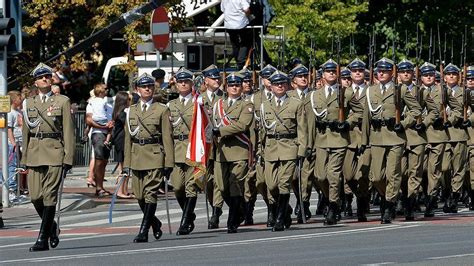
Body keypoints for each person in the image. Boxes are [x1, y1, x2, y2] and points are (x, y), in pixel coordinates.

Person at [21, 63, 75, 251]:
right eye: (41, 77)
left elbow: (68, 131)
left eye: (48, 76)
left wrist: (68, 158)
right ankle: (52, 227)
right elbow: (26, 132)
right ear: (36, 82)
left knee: (49, 196)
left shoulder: (62, 101)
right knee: (36, 197)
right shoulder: (29, 103)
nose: (45, 79)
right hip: (34, 153)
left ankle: (42, 239)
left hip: (54, 152)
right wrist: (23, 160)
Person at [361, 58, 422, 224]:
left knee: (393, 173)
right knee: (376, 177)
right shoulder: (370, 91)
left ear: (391, 73)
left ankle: (388, 206)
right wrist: (363, 140)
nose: (381, 73)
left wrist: (402, 124)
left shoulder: (400, 89)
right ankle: (388, 195)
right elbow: (366, 117)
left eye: (385, 71)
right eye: (379, 70)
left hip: (395, 138)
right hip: (376, 137)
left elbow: (416, 109)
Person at [308, 59, 364, 225]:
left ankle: (333, 206)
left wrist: (347, 122)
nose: (331, 74)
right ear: (323, 74)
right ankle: (331, 197)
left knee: (333, 175)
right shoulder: (314, 95)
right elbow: (308, 119)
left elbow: (359, 111)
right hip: (321, 139)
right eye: (328, 71)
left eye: (334, 71)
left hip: (339, 139)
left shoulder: (345, 92)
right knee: (320, 177)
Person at [123, 73, 174, 243]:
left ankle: (143, 231)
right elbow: (128, 139)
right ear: (137, 89)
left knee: (150, 193)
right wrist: (126, 164)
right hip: (137, 156)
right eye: (144, 87)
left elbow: (167, 137)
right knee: (139, 196)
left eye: (150, 86)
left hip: (154, 155)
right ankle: (155, 222)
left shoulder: (162, 109)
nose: (147, 89)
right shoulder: (131, 110)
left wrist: (169, 163)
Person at [261, 70, 307, 231]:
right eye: (276, 83)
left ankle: (279, 219)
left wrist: (302, 150)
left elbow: (302, 129)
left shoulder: (295, 103)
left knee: (283, 183)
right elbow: (262, 130)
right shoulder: (265, 105)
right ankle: (285, 209)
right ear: (271, 87)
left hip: (289, 146)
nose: (279, 86)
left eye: (282, 83)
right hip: (271, 148)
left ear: (287, 85)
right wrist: (260, 150)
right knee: (271, 185)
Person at [212, 72, 254, 233]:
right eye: (231, 85)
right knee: (222, 187)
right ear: (226, 87)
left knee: (235, 185)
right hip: (221, 152)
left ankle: (232, 220)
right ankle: (242, 210)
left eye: (237, 85)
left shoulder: (247, 105)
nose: (234, 87)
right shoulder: (218, 105)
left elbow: (242, 126)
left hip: (239, 151)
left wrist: (219, 131)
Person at [397, 59, 438, 221]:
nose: (405, 74)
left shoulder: (422, 92)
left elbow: (434, 111)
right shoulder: (393, 91)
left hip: (417, 137)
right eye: (402, 71)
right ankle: (402, 196)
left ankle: (410, 203)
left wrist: (425, 123)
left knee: (415, 172)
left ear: (413, 74)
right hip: (398, 137)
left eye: (408, 71)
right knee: (400, 172)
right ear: (398, 74)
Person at [420, 62, 461, 217]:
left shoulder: (442, 91)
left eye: (431, 74)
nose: (429, 77)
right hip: (419, 136)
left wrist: (448, 121)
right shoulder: (415, 91)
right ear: (421, 77)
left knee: (434, 170)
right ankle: (420, 195)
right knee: (419, 170)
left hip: (437, 135)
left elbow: (457, 108)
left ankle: (431, 200)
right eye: (425, 75)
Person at [167, 68, 198, 235]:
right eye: (180, 82)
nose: (183, 84)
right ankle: (189, 213)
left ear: (191, 83)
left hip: (192, 147)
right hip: (177, 148)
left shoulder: (197, 102)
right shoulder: (170, 105)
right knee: (178, 186)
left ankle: (185, 221)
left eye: (186, 81)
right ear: (176, 85)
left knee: (191, 186)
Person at [343, 58, 371, 222]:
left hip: (367, 136)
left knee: (363, 175)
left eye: (360, 70)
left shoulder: (371, 91)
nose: (357, 73)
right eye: (354, 71)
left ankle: (361, 205)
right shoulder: (343, 92)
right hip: (349, 138)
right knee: (348, 175)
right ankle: (360, 195)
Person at [287, 64, 313, 223]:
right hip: (294, 142)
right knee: (294, 177)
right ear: (293, 81)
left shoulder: (314, 95)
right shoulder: (289, 96)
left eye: (305, 75)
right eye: (300, 76)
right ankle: (300, 199)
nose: (303, 78)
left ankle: (304, 202)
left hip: (313, 140)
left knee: (307, 176)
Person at [441, 63, 468, 213]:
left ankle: (454, 196)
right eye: (448, 74)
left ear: (458, 77)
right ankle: (446, 190)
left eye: (454, 74)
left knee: (458, 168)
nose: (451, 76)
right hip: (443, 135)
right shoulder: (439, 92)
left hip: (458, 134)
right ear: (444, 77)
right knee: (444, 167)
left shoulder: (464, 92)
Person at [200, 64, 225, 229]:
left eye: (218, 78)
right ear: (206, 80)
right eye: (213, 78)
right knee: (206, 181)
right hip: (204, 146)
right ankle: (213, 203)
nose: (217, 80)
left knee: (218, 180)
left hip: (220, 145)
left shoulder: (225, 97)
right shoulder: (199, 99)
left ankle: (216, 211)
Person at [86, 83, 114, 197]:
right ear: (101, 90)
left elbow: (111, 118)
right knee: (98, 160)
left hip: (108, 133)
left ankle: (101, 186)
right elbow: (89, 120)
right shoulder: (91, 103)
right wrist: (102, 127)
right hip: (98, 133)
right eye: (105, 89)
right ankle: (98, 187)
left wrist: (111, 124)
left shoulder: (108, 104)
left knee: (104, 161)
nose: (107, 91)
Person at [221, 0, 254, 69]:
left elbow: (223, 9)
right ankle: (241, 62)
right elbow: (246, 9)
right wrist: (250, 16)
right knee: (245, 42)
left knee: (235, 44)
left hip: (229, 25)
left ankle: (238, 62)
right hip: (241, 24)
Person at [111, 91, 132, 199]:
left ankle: (124, 190)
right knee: (123, 167)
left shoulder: (117, 112)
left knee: (125, 167)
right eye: (128, 99)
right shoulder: (123, 113)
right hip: (122, 141)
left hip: (120, 140)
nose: (130, 101)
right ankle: (120, 191)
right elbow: (126, 127)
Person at [7, 90, 23, 199]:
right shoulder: (10, 113)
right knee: (12, 167)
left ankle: (17, 190)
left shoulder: (19, 112)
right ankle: (11, 191)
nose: (21, 99)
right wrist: (13, 144)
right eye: (19, 98)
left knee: (18, 167)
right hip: (12, 145)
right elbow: (9, 130)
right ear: (14, 100)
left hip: (20, 144)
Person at [464, 66, 474, 209]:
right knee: (463, 170)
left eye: (473, 79)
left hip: (472, 137)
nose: (471, 81)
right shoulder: (459, 94)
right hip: (458, 136)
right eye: (468, 79)